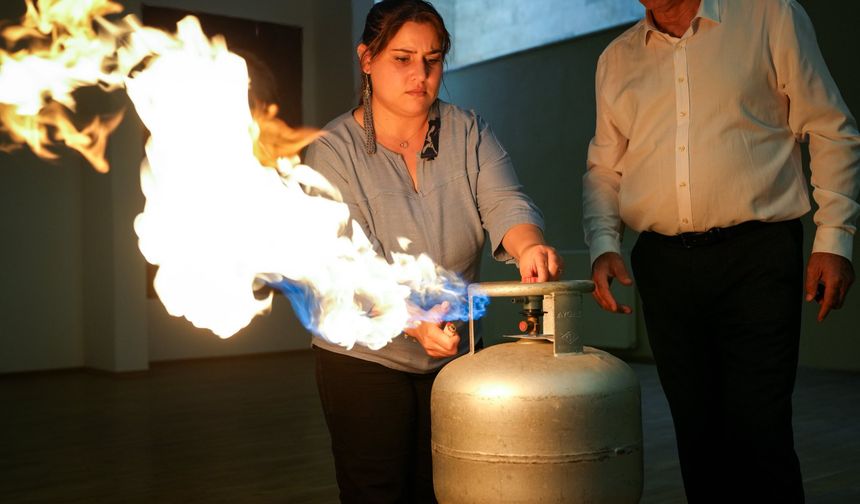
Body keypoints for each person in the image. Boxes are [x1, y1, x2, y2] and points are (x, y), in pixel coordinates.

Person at [583, 0, 859, 502]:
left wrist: (834, 238)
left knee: (761, 431)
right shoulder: (617, 57)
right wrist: (604, 243)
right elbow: (606, 168)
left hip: (757, 257)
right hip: (663, 265)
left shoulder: (769, 16)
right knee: (697, 435)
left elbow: (830, 127)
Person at [304, 1, 562, 502]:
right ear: (367, 59)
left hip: (455, 350)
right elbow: (350, 264)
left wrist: (530, 246)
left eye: (433, 59)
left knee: (446, 489)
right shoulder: (332, 151)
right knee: (376, 490)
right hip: (363, 357)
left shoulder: (469, 132)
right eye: (402, 58)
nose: (420, 74)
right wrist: (413, 321)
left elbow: (506, 202)